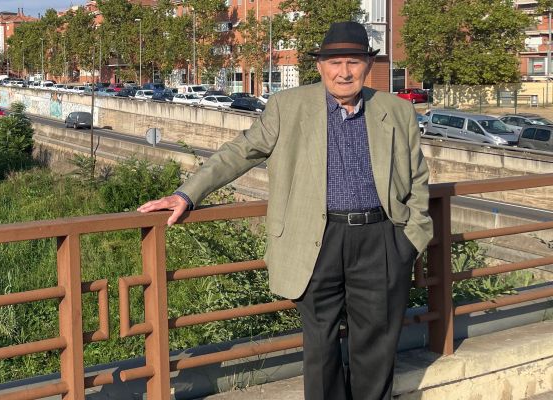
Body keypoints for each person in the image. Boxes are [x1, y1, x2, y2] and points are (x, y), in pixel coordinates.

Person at [137, 21, 433, 399]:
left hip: (381, 240)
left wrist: (410, 239)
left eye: (354, 62)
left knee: (376, 346)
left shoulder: (396, 111)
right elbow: (240, 152)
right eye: (335, 62)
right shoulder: (288, 107)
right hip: (315, 240)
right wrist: (187, 194)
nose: (344, 72)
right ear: (320, 66)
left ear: (367, 65)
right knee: (321, 346)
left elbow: (418, 179)